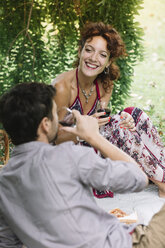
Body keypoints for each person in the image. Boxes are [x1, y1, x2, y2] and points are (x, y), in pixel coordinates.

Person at [1, 82, 165, 248]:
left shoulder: (3, 181)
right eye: (55, 115)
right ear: (45, 124)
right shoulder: (67, 155)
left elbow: (6, 242)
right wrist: (93, 136)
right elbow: (138, 178)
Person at [52, 21, 165, 197]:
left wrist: (125, 120)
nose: (93, 58)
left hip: (95, 144)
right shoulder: (62, 87)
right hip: (69, 153)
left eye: (102, 54)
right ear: (80, 51)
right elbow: (55, 137)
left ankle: (159, 172)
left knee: (135, 114)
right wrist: (86, 128)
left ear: (108, 61)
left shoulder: (105, 85)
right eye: (89, 50)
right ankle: (162, 183)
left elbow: (103, 123)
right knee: (116, 123)